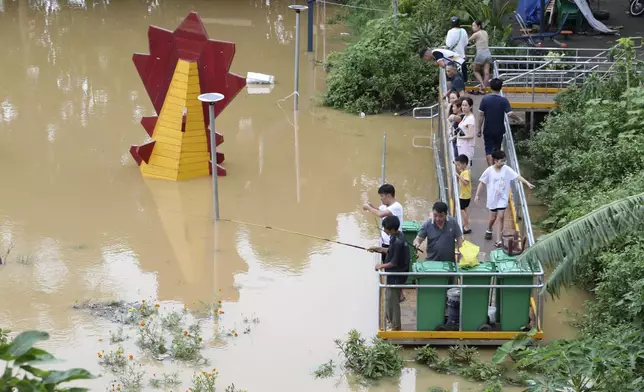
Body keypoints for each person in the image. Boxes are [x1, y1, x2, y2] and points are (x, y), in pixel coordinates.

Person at [474, 150, 535, 247]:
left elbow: (516, 176)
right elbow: (482, 182)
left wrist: (527, 183)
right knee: (492, 218)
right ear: (495, 161)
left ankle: (498, 240)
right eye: (501, 161)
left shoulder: (506, 169)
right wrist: (477, 195)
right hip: (493, 199)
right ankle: (489, 229)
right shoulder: (489, 171)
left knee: (501, 216)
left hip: (502, 198)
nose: (503, 163)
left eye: (504, 161)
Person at [370, 215, 410, 331]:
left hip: (397, 274)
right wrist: (378, 249)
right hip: (393, 274)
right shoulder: (396, 236)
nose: (385, 231)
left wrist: (380, 266)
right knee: (390, 298)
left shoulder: (398, 241)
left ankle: (396, 327)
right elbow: (390, 251)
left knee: (393, 302)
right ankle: (391, 321)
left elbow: (394, 262)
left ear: (392, 229)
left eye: (386, 229)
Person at [477, 78, 521, 166]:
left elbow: (481, 116)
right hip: (499, 130)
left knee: (488, 150)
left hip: (488, 129)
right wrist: (519, 119)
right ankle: (496, 167)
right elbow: (510, 114)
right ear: (501, 88)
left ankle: (490, 168)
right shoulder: (503, 101)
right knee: (496, 149)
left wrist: (479, 129)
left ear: (490, 87)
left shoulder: (485, 100)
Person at [363, 184, 404, 261]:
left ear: (388, 196)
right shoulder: (386, 206)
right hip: (385, 241)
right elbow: (378, 210)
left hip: (392, 242)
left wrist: (368, 208)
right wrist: (371, 206)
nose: (381, 199)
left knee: (390, 262)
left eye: (382, 196)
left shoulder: (396, 207)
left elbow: (380, 214)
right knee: (385, 262)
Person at [451, 97, 476, 166]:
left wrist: (459, 137)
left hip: (467, 147)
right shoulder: (465, 116)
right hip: (461, 146)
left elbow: (471, 135)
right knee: (461, 166)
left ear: (470, 107)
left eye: (466, 105)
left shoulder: (470, 119)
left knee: (465, 166)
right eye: (462, 105)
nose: (464, 107)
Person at [445, 16, 469, 82]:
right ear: (459, 24)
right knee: (463, 78)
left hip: (453, 58)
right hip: (462, 58)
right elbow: (466, 43)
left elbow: (448, 44)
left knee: (453, 78)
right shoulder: (463, 31)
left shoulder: (450, 32)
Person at [455, 154, 472, 234]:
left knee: (462, 210)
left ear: (464, 164)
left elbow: (465, 182)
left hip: (464, 196)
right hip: (464, 195)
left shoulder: (466, 172)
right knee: (464, 210)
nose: (458, 167)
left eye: (459, 165)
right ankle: (466, 225)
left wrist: (458, 176)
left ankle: (466, 227)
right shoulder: (464, 172)